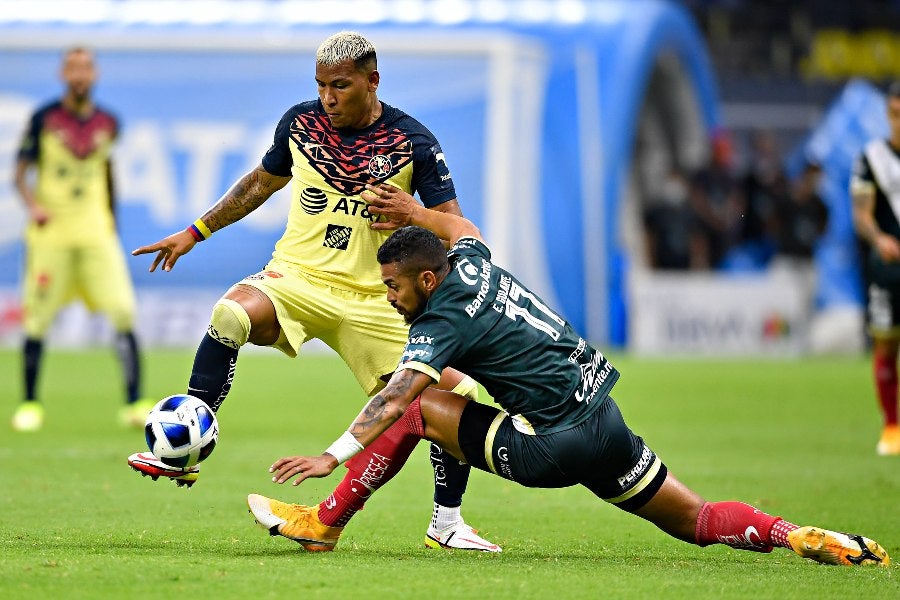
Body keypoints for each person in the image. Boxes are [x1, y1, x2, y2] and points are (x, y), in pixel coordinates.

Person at [245, 182, 889, 567]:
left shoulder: (441, 321)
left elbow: (393, 400)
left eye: (391, 286)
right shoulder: (470, 260)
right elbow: (462, 225)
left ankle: (324, 523)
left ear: (427, 279)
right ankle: (800, 534)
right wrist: (416, 213)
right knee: (693, 520)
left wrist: (333, 455)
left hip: (553, 445)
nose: (387, 297)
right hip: (605, 421)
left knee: (418, 405)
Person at [126, 31, 498, 552]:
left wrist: (416, 215)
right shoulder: (300, 124)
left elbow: (454, 228)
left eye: (340, 86)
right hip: (297, 278)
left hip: (375, 299)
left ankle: (447, 522)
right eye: (321, 85)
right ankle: (183, 450)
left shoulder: (414, 142)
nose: (328, 97)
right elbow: (260, 183)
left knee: (454, 396)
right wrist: (195, 232)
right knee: (231, 315)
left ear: (373, 81)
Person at [11, 47, 150, 432]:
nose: (79, 75)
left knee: (122, 310)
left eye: (85, 68)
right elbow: (19, 173)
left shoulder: (109, 122)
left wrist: (111, 220)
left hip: (94, 231)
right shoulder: (44, 119)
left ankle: (135, 401)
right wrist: (32, 206)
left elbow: (107, 173)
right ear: (62, 73)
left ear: (95, 74)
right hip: (51, 232)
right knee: (37, 317)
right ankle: (29, 403)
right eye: (72, 68)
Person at [850, 80, 900, 456]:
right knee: (885, 344)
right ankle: (892, 426)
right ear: (889, 113)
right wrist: (879, 238)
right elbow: (862, 216)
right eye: (896, 113)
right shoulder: (871, 158)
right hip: (888, 268)